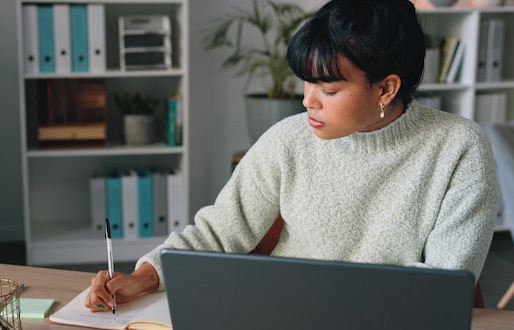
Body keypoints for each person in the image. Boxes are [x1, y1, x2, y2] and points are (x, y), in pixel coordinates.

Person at [85, 0, 498, 312]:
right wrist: (143, 277)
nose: (307, 102)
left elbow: (446, 282)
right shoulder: (288, 139)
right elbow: (219, 232)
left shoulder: (459, 149)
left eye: (329, 90)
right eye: (306, 84)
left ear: (386, 89)